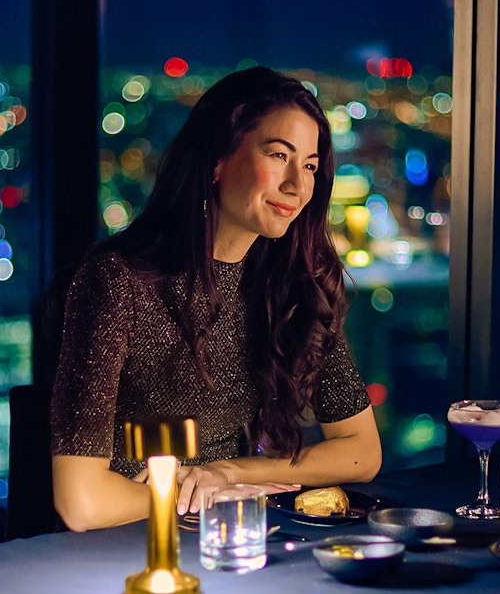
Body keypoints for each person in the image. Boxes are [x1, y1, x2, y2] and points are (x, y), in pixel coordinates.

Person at [49, 66, 382, 530]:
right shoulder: (117, 280)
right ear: (217, 159)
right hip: (122, 551)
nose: (298, 185)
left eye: (308, 165)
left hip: (228, 534)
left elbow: (361, 451)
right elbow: (81, 503)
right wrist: (202, 494)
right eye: (278, 155)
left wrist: (227, 475)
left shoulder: (289, 284)